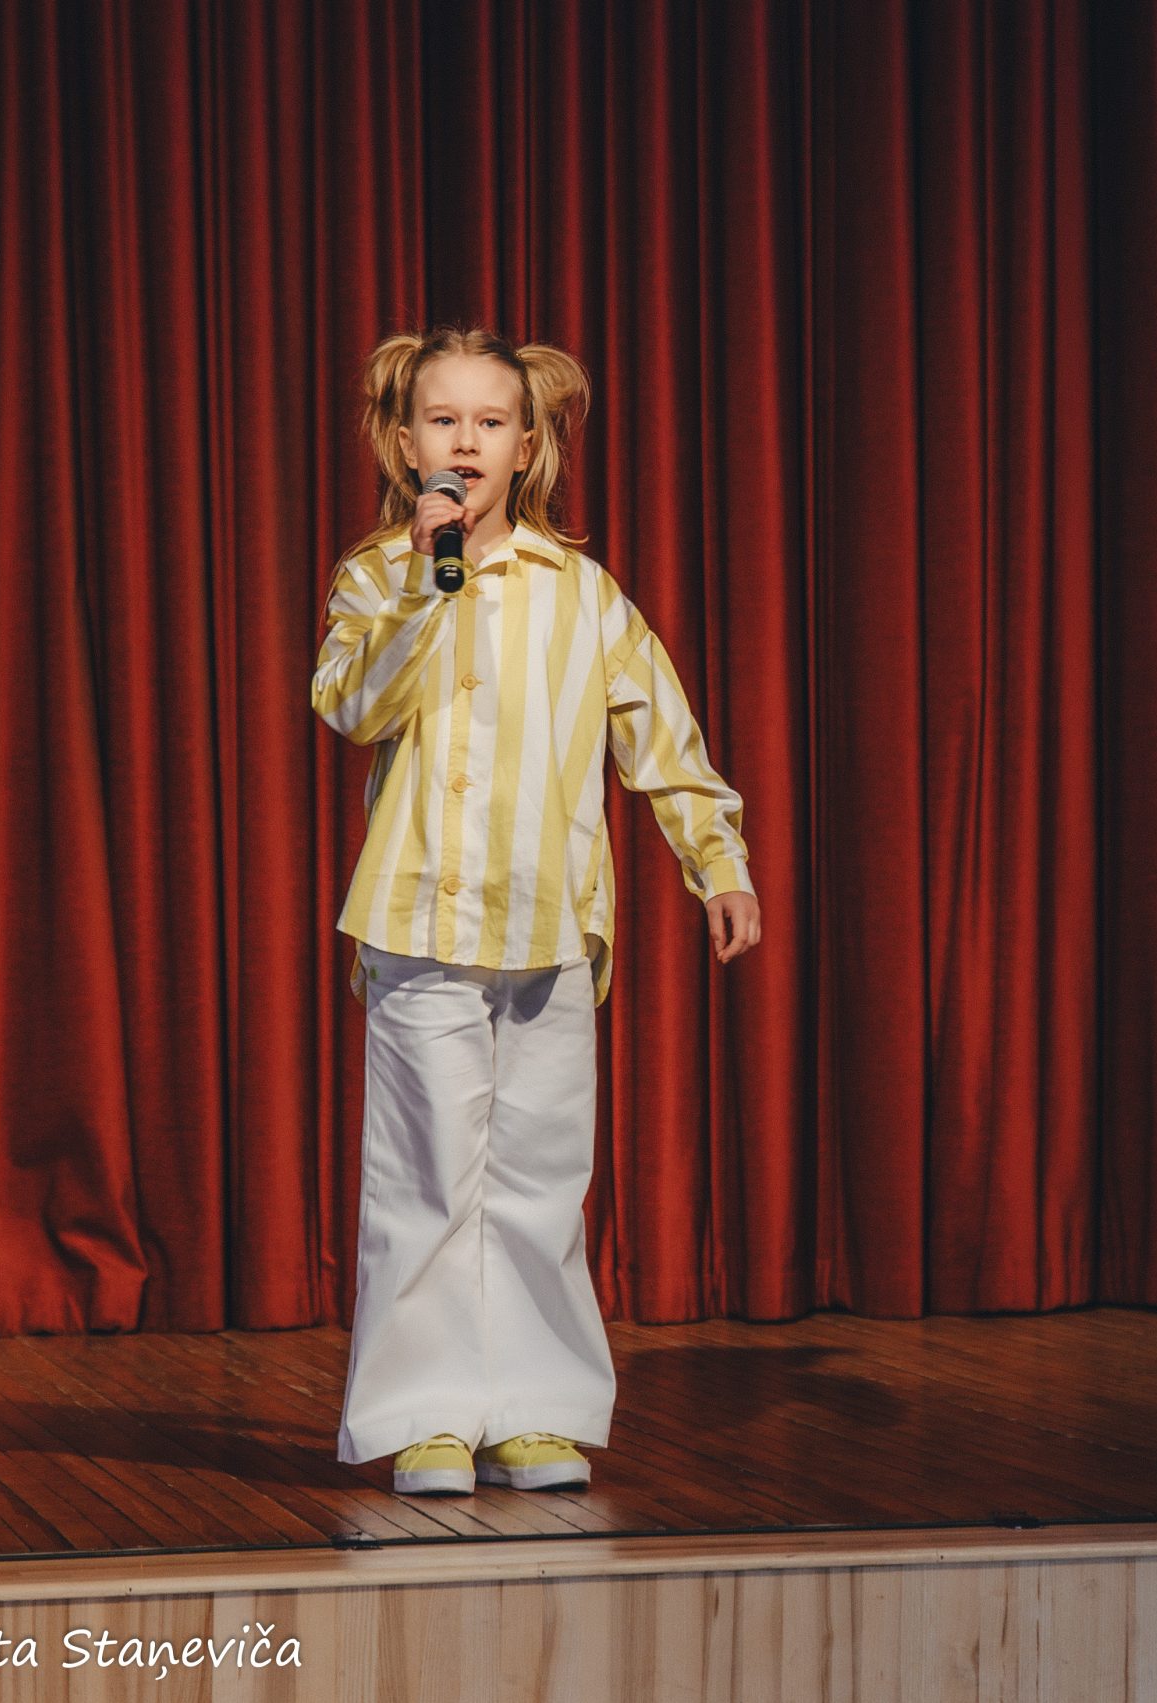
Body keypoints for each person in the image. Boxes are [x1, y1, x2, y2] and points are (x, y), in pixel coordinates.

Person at [311, 326, 762, 1495]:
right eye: (443, 419)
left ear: (527, 445)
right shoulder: (378, 575)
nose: (465, 440)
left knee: (538, 1176)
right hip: (419, 918)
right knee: (427, 1175)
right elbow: (352, 707)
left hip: (551, 922)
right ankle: (426, 1415)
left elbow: (659, 733)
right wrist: (430, 580)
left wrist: (716, 858)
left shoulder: (583, 592)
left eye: (490, 421)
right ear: (404, 442)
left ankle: (532, 1409)